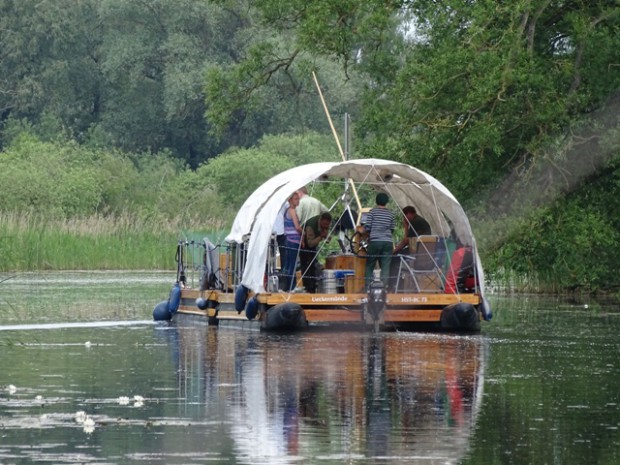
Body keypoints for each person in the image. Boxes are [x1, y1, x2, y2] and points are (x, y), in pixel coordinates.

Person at [362, 192, 395, 287]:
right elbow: (392, 229)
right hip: (387, 242)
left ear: (376, 201)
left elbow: (367, 227)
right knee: (385, 266)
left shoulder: (372, 212)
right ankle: (384, 287)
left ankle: (368, 286)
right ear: (386, 202)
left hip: (375, 242)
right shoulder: (390, 214)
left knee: (370, 265)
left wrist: (365, 233)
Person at [299, 212, 332, 293]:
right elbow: (310, 244)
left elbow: (327, 239)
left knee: (313, 267)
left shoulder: (324, 225)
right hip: (304, 245)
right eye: (324, 224)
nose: (325, 226)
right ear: (320, 220)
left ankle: (312, 288)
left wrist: (326, 236)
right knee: (306, 267)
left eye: (327, 225)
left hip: (313, 246)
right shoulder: (310, 226)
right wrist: (320, 237)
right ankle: (307, 288)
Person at [282, 192, 302, 291]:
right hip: (294, 240)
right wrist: (304, 233)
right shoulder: (292, 211)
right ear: (290, 200)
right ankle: (292, 286)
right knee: (293, 264)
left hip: (287, 239)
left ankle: (286, 285)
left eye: (298, 199)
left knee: (289, 263)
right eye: (295, 199)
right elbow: (297, 227)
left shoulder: (286, 211)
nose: (297, 201)